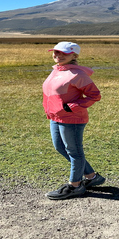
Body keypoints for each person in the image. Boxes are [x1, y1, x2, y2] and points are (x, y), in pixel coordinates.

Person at [42, 41, 105, 200]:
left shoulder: (78, 75)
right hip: (56, 117)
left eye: (63, 53)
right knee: (60, 147)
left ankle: (75, 186)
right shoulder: (57, 70)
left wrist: (72, 107)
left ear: (74, 55)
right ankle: (91, 177)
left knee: (74, 152)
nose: (58, 55)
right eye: (56, 52)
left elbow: (95, 96)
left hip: (72, 119)